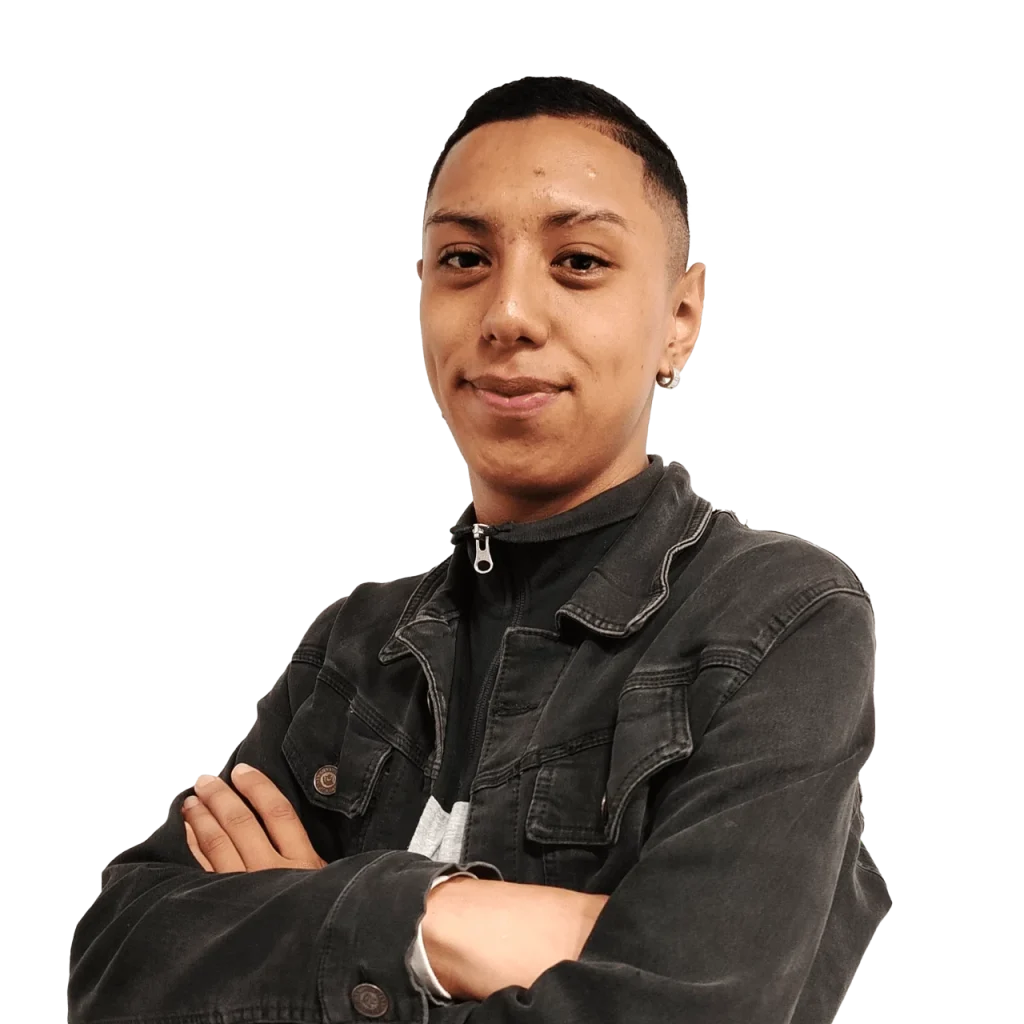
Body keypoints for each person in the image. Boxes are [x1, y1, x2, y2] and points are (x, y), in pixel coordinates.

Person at [67, 74, 891, 1023]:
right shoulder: (355, 650)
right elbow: (115, 964)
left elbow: (693, 1014)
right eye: (463, 258)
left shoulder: (783, 620)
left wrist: (300, 928)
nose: (507, 315)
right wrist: (439, 920)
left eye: (579, 262)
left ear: (681, 316)